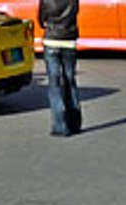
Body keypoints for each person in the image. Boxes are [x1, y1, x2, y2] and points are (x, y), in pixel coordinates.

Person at [39, 0, 83, 137]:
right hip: (69, 39)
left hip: (51, 39)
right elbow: (76, 13)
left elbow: (41, 19)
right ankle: (75, 123)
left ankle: (60, 125)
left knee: (55, 83)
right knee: (70, 80)